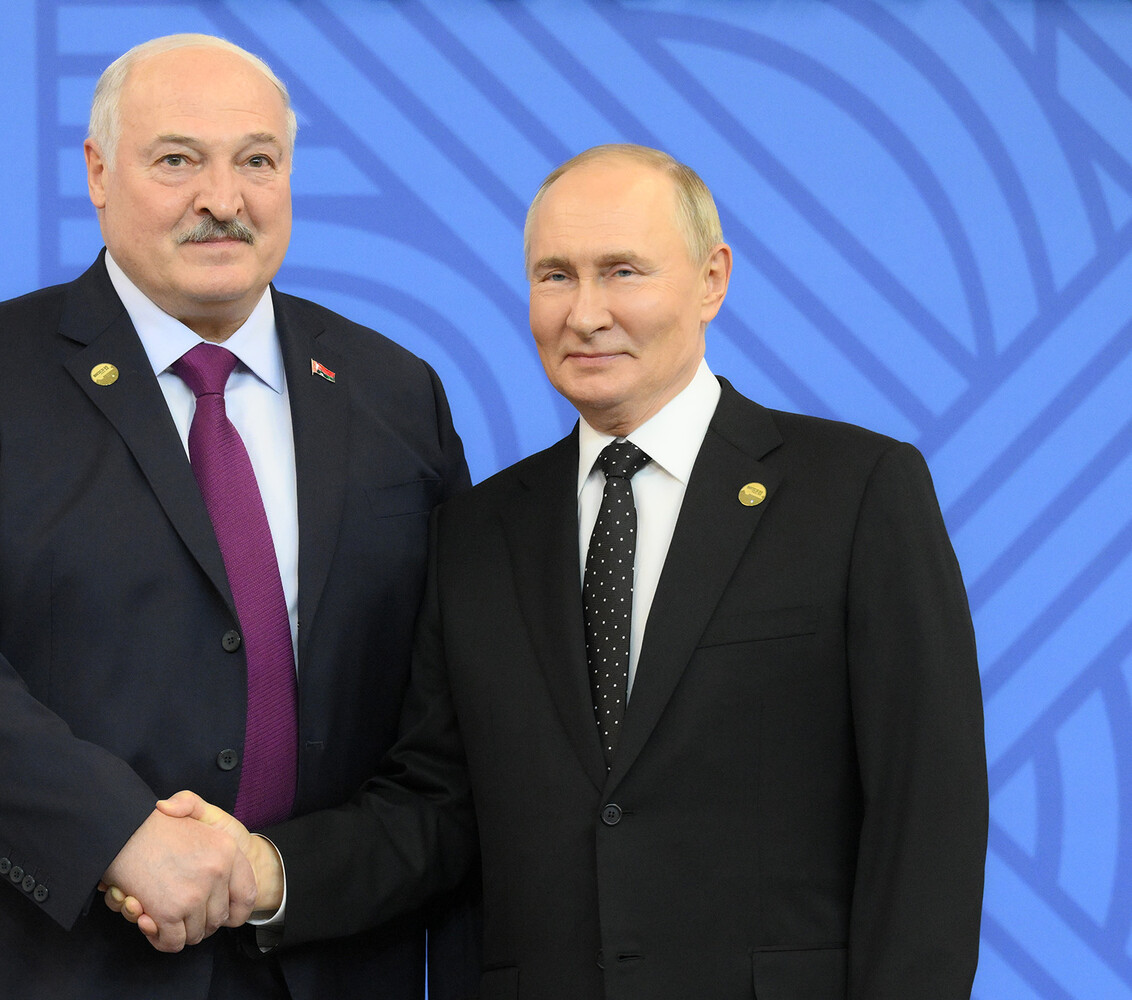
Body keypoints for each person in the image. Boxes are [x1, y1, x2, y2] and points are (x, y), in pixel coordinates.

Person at [124, 144, 989, 999]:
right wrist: (261, 870)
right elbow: (435, 810)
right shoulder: (477, 532)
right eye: (555, 276)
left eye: (623, 272)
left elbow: (929, 813)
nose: (585, 313)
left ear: (712, 280)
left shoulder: (856, 493)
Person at [0, 33, 470, 1000]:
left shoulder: (396, 393)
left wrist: (282, 878)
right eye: (177, 160)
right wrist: (117, 835)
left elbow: (444, 715)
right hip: (26, 961)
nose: (223, 197)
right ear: (98, 171)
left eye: (257, 161)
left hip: (314, 956)